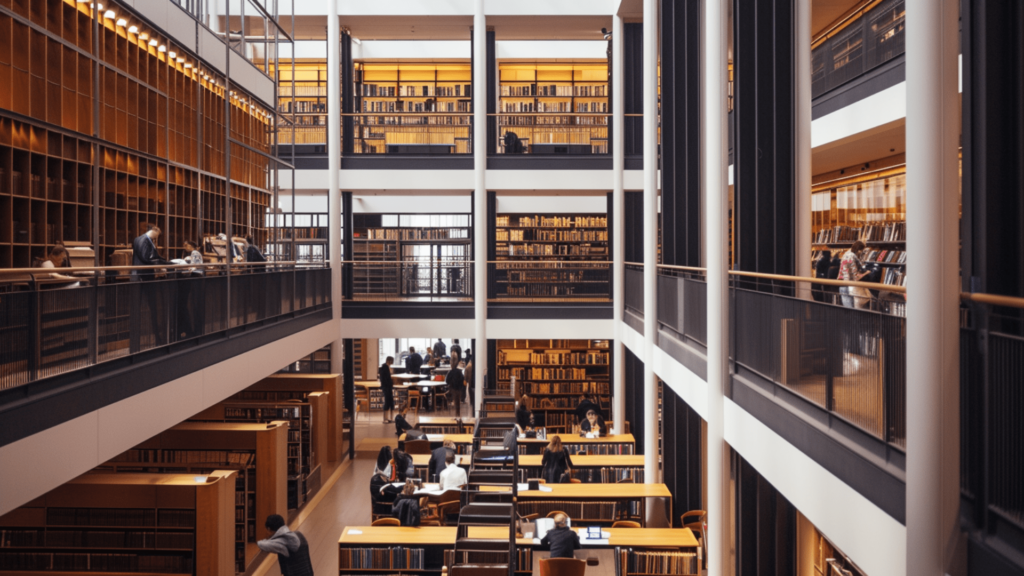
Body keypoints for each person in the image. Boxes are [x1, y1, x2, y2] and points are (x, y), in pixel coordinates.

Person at [838, 240, 871, 309]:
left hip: (842, 284)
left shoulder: (846, 254)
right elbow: (854, 276)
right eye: (862, 251)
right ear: (859, 250)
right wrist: (866, 273)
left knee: (847, 310)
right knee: (854, 311)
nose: (861, 253)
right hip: (849, 286)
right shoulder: (852, 257)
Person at [380, 356, 395, 424]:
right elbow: (385, 379)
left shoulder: (385, 367)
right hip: (387, 387)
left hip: (387, 387)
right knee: (387, 402)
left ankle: (389, 418)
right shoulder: (385, 368)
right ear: (389, 361)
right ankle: (386, 418)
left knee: (390, 402)